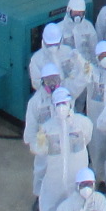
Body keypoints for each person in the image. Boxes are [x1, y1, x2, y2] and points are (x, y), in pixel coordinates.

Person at [30, 88, 94, 211]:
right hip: (55, 178)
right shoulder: (47, 128)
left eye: (64, 103)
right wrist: (39, 143)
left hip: (76, 177)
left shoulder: (83, 123)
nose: (61, 108)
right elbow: (38, 150)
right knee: (48, 209)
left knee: (78, 209)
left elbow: (87, 138)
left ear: (71, 103)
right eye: (58, 104)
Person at [24, 62, 63, 203]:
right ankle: (39, 196)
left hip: (60, 141)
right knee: (41, 169)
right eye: (48, 81)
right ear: (42, 82)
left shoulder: (63, 97)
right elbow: (31, 124)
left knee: (60, 170)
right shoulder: (36, 102)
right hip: (44, 142)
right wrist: (34, 143)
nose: (52, 84)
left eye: (55, 80)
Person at [61, 0, 98, 71]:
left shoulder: (88, 27)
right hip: (70, 68)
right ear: (69, 10)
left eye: (80, 13)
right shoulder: (60, 29)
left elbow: (94, 48)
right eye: (75, 13)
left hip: (86, 67)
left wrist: (95, 67)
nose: (77, 16)